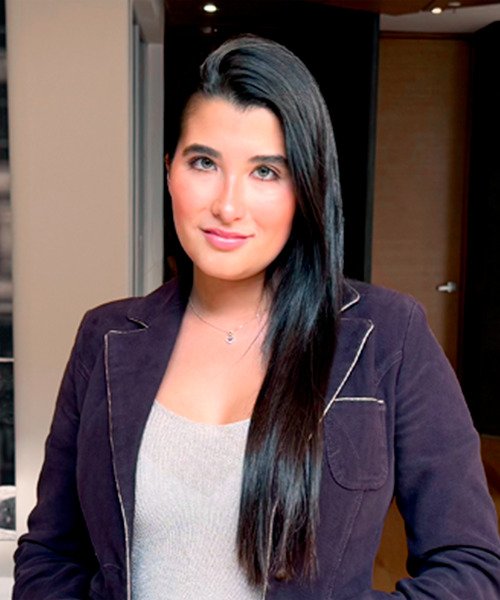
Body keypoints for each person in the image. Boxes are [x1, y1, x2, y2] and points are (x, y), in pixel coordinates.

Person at [13, 35, 500, 600]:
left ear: (306, 188)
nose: (228, 205)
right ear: (170, 170)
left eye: (266, 172)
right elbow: (50, 554)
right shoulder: (105, 336)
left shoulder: (387, 336)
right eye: (204, 163)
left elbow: (471, 565)